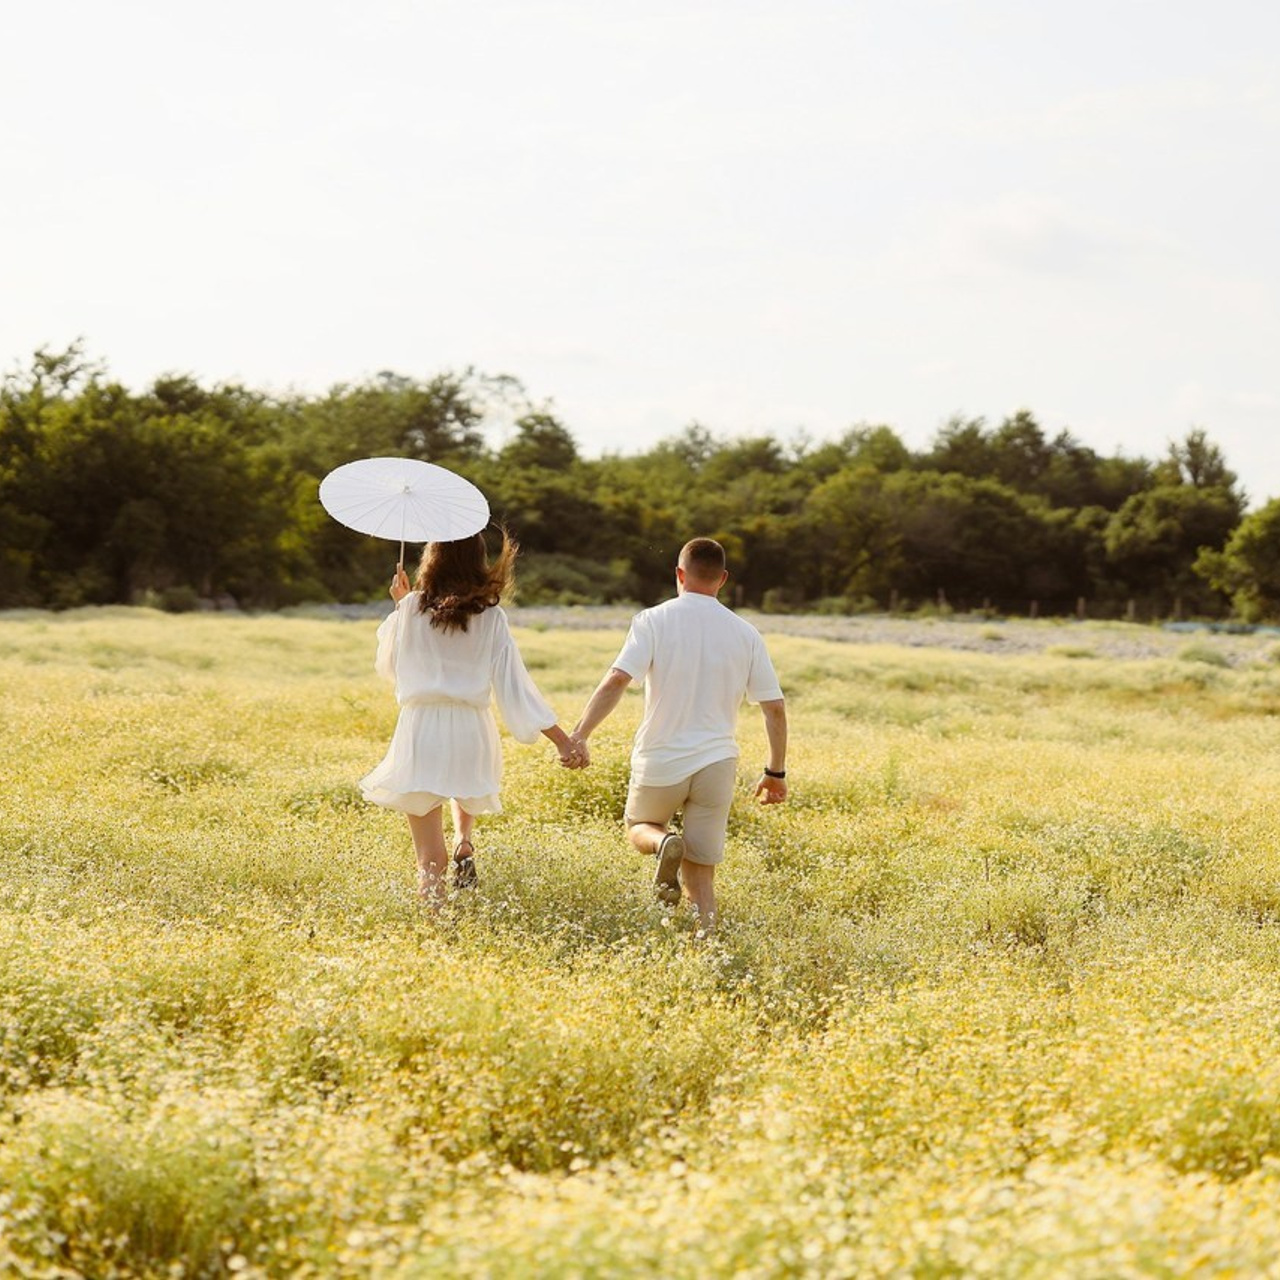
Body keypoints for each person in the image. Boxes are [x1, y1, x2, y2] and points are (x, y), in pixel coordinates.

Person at [569, 537, 787, 930]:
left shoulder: (653, 620)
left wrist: (581, 733)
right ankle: (706, 950)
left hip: (661, 757)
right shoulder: (746, 632)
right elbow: (774, 708)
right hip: (717, 763)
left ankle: (662, 843)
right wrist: (776, 773)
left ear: (679, 575)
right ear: (722, 579)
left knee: (639, 827)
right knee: (701, 877)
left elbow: (618, 679)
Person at [360, 530, 584, 905]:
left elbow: (391, 669)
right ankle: (464, 841)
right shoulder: (491, 617)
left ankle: (436, 934)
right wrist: (564, 741)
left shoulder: (411, 608)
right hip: (470, 729)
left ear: (432, 560)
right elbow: (516, 687)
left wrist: (401, 610)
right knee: (461, 785)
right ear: (478, 561)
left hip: (421, 728)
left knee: (429, 861)